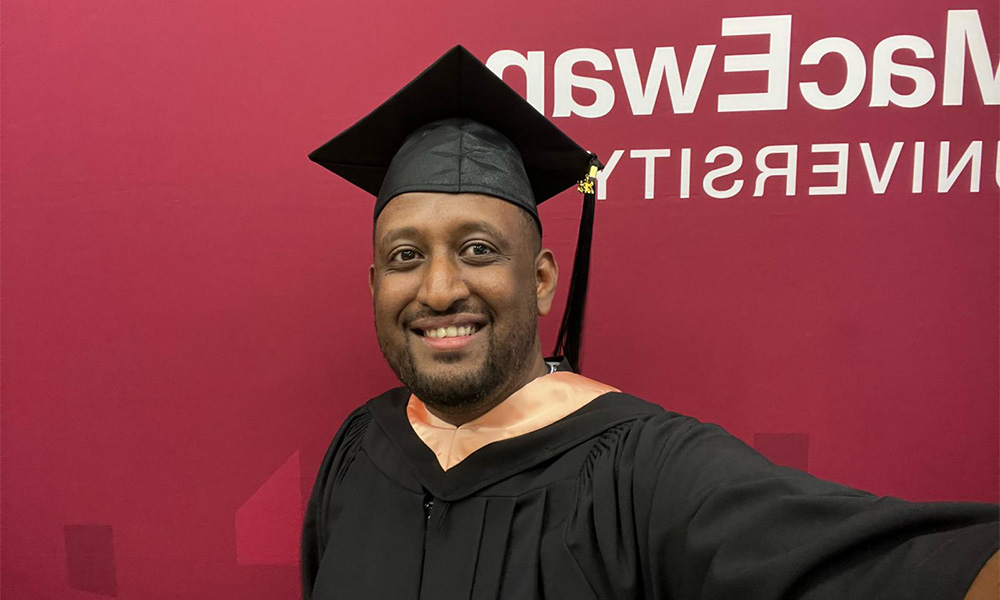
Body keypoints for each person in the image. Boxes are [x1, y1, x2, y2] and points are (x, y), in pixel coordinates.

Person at [301, 45, 999, 600]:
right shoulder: (362, 448)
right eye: (405, 256)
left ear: (541, 281)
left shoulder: (644, 473)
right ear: (375, 285)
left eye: (479, 251)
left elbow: (897, 568)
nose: (441, 287)